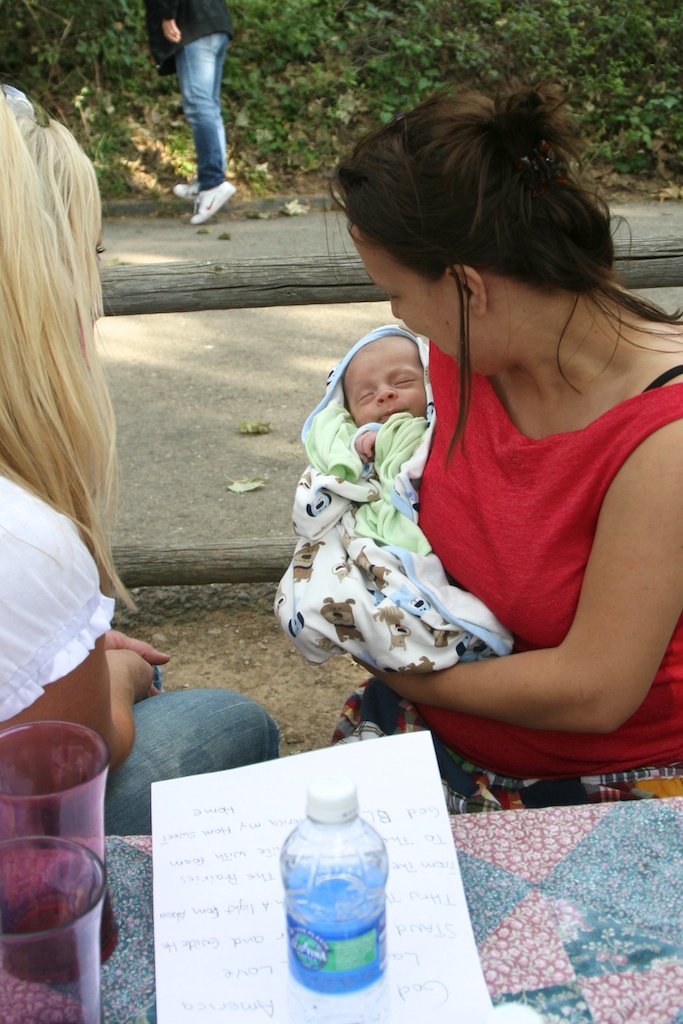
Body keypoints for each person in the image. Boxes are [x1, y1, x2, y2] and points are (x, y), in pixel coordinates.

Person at [329, 84, 683, 812]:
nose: (397, 317)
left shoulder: (663, 437)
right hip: (432, 737)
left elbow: (595, 691)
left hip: (595, 789)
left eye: (397, 293)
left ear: (468, 287)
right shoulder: (463, 356)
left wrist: (401, 669)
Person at [0, 84, 279, 835]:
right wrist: (115, 675)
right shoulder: (26, 540)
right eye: (90, 254)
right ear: (36, 280)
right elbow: (71, 757)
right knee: (231, 720)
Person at [275, 324, 512, 674]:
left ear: (429, 382)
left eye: (401, 382)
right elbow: (343, 463)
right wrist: (361, 445)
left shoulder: (439, 427)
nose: (385, 395)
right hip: (377, 531)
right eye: (366, 396)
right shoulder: (360, 439)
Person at [143, 0, 236, 225]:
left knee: (199, 105)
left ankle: (213, 182)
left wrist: (167, 16)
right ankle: (209, 181)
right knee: (209, 106)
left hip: (193, 24)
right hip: (214, 21)